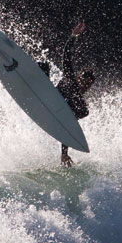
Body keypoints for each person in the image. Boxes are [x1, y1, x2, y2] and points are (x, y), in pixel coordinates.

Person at [40, 21, 95, 167]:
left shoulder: (80, 106)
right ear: (78, 78)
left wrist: (64, 153)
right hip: (45, 95)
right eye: (84, 81)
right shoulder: (70, 79)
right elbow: (67, 55)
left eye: (88, 85)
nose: (85, 86)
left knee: (84, 112)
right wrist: (73, 36)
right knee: (43, 66)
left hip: (53, 114)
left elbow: (68, 126)